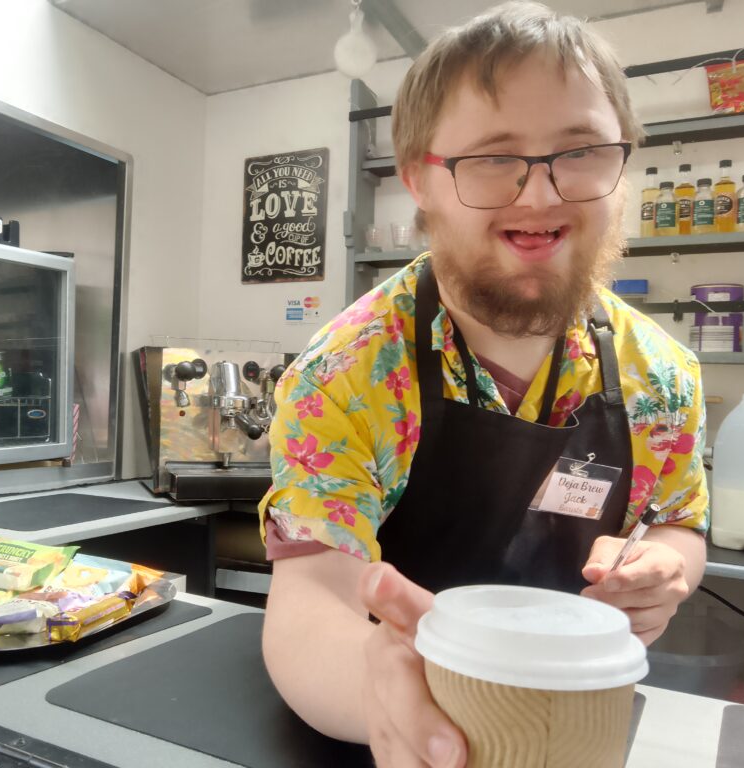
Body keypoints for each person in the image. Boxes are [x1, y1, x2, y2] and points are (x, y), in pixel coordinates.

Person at [258, 2, 709, 766]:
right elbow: (314, 605)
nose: (540, 196)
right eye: (493, 157)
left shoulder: (660, 375)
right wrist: (384, 692)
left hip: (577, 717)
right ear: (419, 182)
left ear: (622, 166)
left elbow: (677, 521)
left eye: (582, 151)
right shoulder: (349, 374)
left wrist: (663, 571)